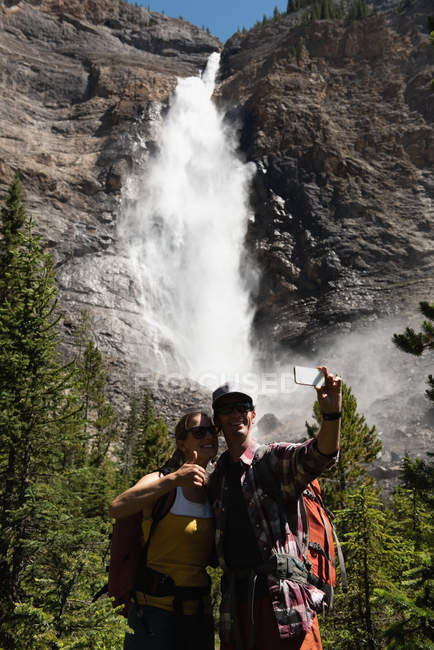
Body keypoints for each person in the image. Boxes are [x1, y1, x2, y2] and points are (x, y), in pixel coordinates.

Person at [208, 366, 342, 650]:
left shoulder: (272, 460)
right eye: (226, 408)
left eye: (242, 406)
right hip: (238, 608)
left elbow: (319, 454)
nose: (235, 414)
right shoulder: (216, 478)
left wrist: (331, 414)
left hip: (286, 606)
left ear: (253, 415)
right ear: (217, 422)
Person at [109, 410, 218, 650]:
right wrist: (174, 480)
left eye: (213, 430)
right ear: (181, 443)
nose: (209, 435)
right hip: (153, 612)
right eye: (199, 431)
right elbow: (117, 507)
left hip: (199, 614)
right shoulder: (161, 480)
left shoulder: (213, 490)